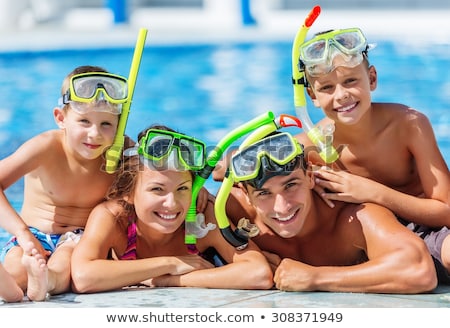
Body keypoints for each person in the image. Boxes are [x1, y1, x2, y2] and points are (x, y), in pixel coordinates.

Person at [294, 27, 450, 283]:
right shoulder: (313, 146)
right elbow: (245, 160)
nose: (341, 95)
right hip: (371, 241)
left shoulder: (409, 124)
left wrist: (371, 192)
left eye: (350, 81)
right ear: (312, 95)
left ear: (372, 78)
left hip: (429, 230)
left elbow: (446, 210)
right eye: (327, 88)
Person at [220, 131, 437, 293]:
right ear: (246, 195)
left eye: (291, 185)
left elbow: (419, 269)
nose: (282, 207)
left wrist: (316, 278)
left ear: (310, 176)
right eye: (264, 194)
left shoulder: (351, 215)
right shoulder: (232, 210)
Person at [70, 125, 273, 293]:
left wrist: (170, 280)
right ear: (129, 193)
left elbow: (258, 274)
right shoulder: (113, 217)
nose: (172, 203)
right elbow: (83, 277)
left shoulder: (202, 217)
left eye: (182, 189)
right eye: (157, 189)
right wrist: (170, 264)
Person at [0, 65, 130, 301]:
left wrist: (197, 192)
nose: (95, 134)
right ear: (61, 118)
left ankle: (44, 281)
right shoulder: (45, 147)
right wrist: (23, 232)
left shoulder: (122, 153)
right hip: (33, 233)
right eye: (84, 121)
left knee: (66, 262)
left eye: (106, 124)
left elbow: (163, 178)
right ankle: (10, 284)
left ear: (119, 126)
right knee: (18, 265)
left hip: (80, 238)